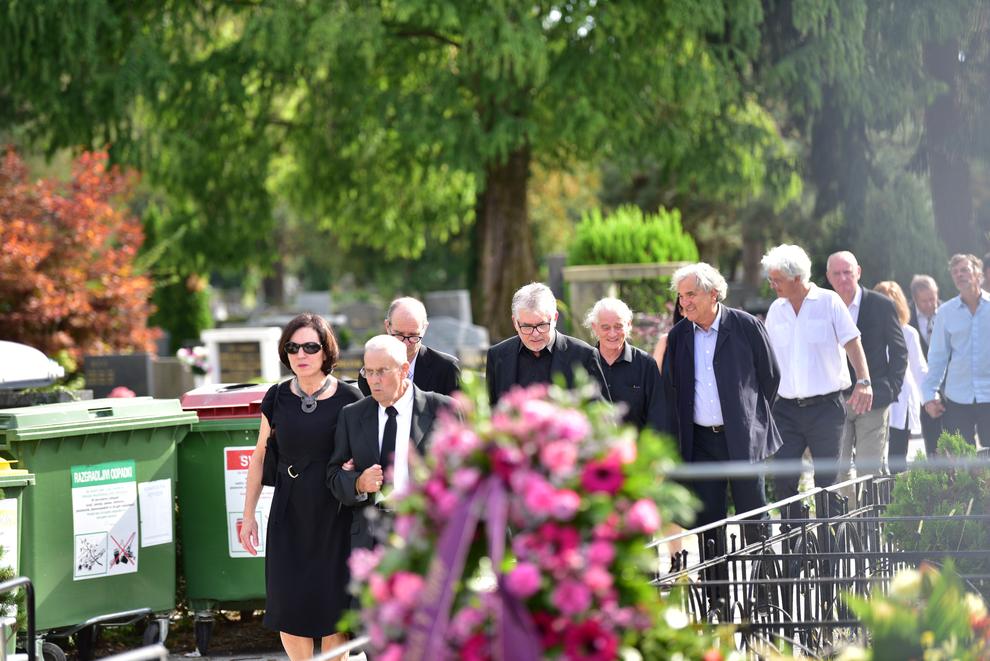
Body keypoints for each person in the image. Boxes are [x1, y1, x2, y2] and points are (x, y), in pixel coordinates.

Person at [238, 313, 363, 661]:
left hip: (333, 513)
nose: (301, 354)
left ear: (326, 351)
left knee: (333, 609)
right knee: (288, 605)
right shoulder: (277, 396)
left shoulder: (349, 397)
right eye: (293, 347)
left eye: (310, 346)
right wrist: (248, 516)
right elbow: (259, 457)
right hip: (288, 511)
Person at [661, 263, 781, 540]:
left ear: (713, 294)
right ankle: (716, 585)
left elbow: (771, 376)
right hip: (701, 444)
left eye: (690, 294)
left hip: (742, 438)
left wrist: (751, 418)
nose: (684, 302)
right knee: (709, 527)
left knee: (755, 521)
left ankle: (764, 582)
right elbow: (671, 388)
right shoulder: (679, 336)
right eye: (681, 296)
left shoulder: (746, 326)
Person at [761, 244, 873, 506]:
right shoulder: (776, 309)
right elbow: (766, 356)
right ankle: (794, 542)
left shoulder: (829, 301)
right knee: (784, 480)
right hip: (785, 410)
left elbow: (852, 342)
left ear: (797, 278)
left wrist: (864, 381)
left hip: (826, 409)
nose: (772, 284)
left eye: (777, 279)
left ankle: (832, 543)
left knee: (828, 483)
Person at [328, 335, 454, 551]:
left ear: (404, 370)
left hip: (427, 532)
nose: (374, 380)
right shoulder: (352, 415)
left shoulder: (443, 410)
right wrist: (358, 483)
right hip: (371, 538)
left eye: (382, 371)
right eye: (369, 371)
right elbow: (333, 476)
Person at [826, 251, 907, 487]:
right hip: (834, 402)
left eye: (848, 273)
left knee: (869, 471)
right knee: (838, 472)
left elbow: (899, 351)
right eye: (837, 274)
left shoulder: (882, 305)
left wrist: (891, 389)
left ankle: (872, 524)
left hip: (873, 399)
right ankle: (850, 524)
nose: (843, 279)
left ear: (858, 272)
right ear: (828, 277)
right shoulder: (823, 306)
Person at [486, 282, 610, 406]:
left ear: (555, 318)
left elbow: (604, 415)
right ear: (515, 322)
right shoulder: (497, 355)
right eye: (527, 327)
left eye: (541, 325)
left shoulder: (584, 356)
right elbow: (491, 412)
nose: (535, 334)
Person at [922, 254, 990, 448]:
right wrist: (929, 395)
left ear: (978, 273)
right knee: (962, 463)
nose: (959, 275)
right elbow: (937, 357)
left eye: (964, 270)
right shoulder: (945, 312)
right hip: (958, 397)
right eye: (955, 272)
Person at [585, 297, 664, 431]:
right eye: (605, 327)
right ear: (595, 327)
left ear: (628, 325)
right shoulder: (583, 363)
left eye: (618, 326)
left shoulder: (646, 365)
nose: (612, 333)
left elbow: (658, 417)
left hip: (636, 449)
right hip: (593, 450)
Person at [357, 296, 460, 397]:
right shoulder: (369, 373)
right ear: (387, 326)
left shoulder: (447, 369)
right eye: (399, 334)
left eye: (413, 335)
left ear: (424, 328)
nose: (405, 344)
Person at [874, 281, 927, 471]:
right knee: (874, 456)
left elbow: (919, 368)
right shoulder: (867, 332)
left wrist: (930, 398)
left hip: (901, 400)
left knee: (897, 457)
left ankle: (897, 498)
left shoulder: (908, 333)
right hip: (874, 400)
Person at [909, 274, 943, 455]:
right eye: (924, 301)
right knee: (932, 440)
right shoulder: (906, 316)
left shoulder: (948, 311)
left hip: (947, 385)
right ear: (915, 299)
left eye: (933, 298)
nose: (930, 304)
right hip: (919, 387)